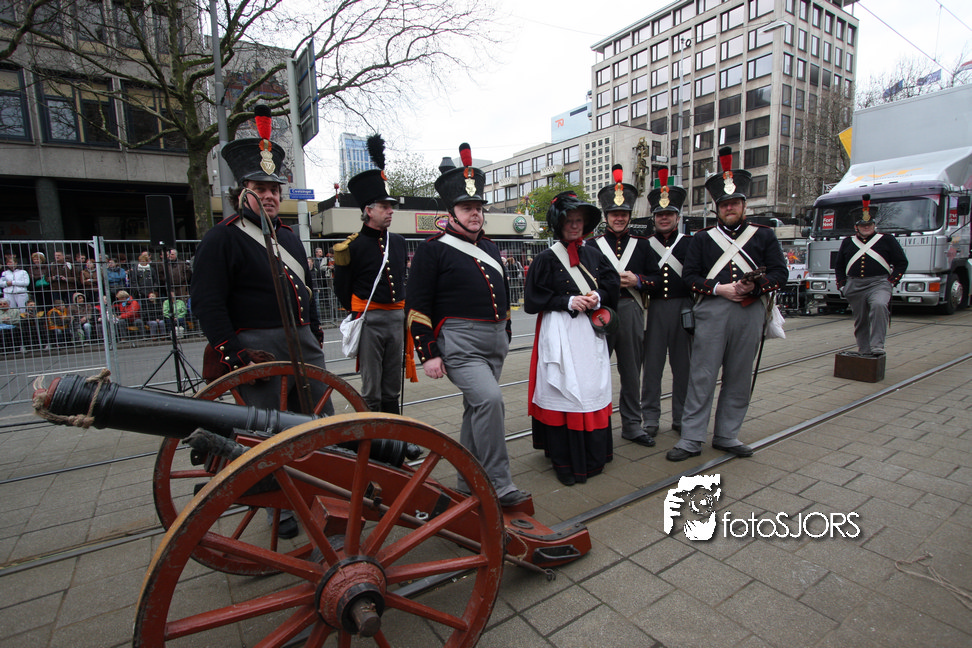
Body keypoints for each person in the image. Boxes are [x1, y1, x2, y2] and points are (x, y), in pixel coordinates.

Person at [190, 106, 331, 539]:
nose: (269, 195)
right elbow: (208, 302)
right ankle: (279, 507)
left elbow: (307, 291)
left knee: (318, 422)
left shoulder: (288, 237)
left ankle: (325, 490)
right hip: (257, 349)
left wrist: (314, 333)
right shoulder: (222, 238)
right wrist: (233, 353)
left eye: (274, 188)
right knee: (268, 432)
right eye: (260, 188)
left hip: (303, 345)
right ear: (242, 192)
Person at [405, 143, 529, 508]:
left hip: (494, 342)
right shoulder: (433, 249)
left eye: (478, 207)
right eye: (466, 208)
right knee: (490, 402)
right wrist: (428, 352)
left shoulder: (488, 248)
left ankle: (464, 481)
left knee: (477, 409)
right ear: (452, 213)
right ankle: (498, 484)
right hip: (459, 344)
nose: (475, 213)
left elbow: (502, 292)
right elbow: (417, 306)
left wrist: (506, 330)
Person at [667, 147, 788, 462]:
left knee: (739, 375)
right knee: (702, 376)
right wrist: (720, 288)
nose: (729, 208)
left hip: (750, 311)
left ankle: (726, 434)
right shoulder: (702, 239)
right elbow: (690, 277)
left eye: (734, 203)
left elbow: (780, 273)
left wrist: (755, 286)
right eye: (724, 204)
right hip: (712, 311)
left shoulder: (763, 236)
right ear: (717, 208)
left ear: (744, 205)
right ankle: (691, 438)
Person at [525, 191, 620, 485]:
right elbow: (532, 300)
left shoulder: (595, 254)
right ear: (559, 224)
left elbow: (612, 285)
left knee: (590, 386)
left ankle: (592, 457)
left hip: (589, 334)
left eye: (579, 220)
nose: (575, 225)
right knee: (562, 388)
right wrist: (567, 301)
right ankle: (565, 460)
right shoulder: (545, 259)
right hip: (559, 330)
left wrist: (597, 296)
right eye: (569, 221)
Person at [333, 134, 413, 413]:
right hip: (368, 320)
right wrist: (360, 312)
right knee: (371, 389)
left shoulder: (399, 242)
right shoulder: (351, 246)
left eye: (391, 207)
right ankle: (373, 433)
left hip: (396, 319)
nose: (391, 211)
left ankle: (394, 432)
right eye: (384, 206)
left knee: (392, 385)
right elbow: (342, 289)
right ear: (368, 210)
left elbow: (401, 280)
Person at [592, 164, 659, 447]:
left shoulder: (643, 245)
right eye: (614, 214)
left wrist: (638, 280)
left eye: (623, 214)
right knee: (596, 371)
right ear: (606, 216)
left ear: (630, 216)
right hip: (602, 313)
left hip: (631, 310)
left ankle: (632, 425)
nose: (619, 218)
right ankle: (597, 427)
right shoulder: (592, 245)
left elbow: (658, 279)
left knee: (631, 373)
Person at [641, 168, 692, 437]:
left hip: (683, 308)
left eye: (669, 214)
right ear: (654, 218)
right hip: (654, 308)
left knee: (684, 368)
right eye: (659, 214)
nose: (664, 218)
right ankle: (650, 417)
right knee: (652, 368)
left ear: (677, 217)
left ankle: (681, 416)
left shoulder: (691, 243)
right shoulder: (643, 245)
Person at [834, 193, 908, 356]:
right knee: (861, 320)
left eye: (869, 224)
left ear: (874, 225)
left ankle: (877, 346)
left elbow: (902, 262)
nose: (866, 227)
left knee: (879, 306)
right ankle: (865, 350)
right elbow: (839, 266)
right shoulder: (848, 242)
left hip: (879, 283)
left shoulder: (887, 240)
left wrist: (891, 281)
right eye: (863, 225)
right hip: (855, 285)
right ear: (856, 227)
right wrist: (843, 285)